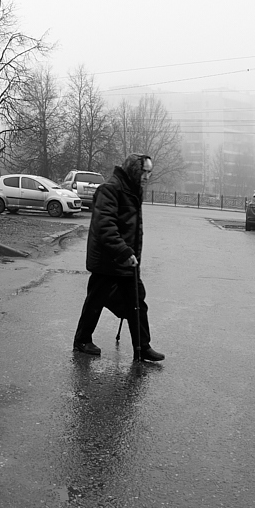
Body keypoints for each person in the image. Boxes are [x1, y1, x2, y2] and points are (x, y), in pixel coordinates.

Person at [72, 153, 165, 363]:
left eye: (149, 172)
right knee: (95, 301)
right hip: (108, 260)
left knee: (137, 301)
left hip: (126, 260)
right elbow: (105, 225)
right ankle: (82, 340)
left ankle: (142, 347)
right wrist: (124, 251)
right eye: (144, 172)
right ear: (134, 170)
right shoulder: (110, 189)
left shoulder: (133, 190)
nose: (147, 177)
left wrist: (130, 254)